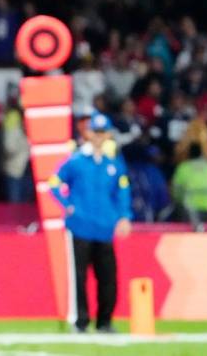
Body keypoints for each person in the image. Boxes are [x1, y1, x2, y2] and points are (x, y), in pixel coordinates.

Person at [49, 113, 133, 334]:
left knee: (108, 278)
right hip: (80, 227)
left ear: (107, 135)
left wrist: (124, 216)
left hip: (105, 229)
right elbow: (54, 182)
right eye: (95, 132)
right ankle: (81, 322)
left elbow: (122, 191)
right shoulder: (76, 161)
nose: (98, 136)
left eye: (102, 132)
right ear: (88, 134)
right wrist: (67, 205)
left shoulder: (113, 163)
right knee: (79, 278)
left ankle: (105, 322)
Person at [171, 142, 207, 231]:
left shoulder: (183, 168)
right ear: (201, 153)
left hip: (190, 209)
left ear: (189, 153)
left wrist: (180, 202)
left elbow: (176, 190)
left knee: (191, 238)